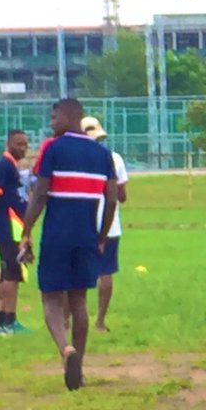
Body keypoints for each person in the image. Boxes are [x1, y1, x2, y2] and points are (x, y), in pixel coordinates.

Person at [17, 98, 118, 390]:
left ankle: (65, 350)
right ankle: (80, 369)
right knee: (79, 301)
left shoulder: (54, 149)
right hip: (87, 236)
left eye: (54, 116)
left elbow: (39, 195)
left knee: (50, 297)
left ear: (69, 116)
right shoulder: (103, 155)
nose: (51, 123)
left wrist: (26, 231)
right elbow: (111, 200)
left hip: (57, 235)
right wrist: (101, 237)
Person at [81, 117, 128, 333]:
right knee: (105, 272)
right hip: (110, 225)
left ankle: (67, 319)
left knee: (74, 274)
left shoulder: (75, 158)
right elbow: (121, 196)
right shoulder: (114, 158)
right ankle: (100, 321)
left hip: (81, 223)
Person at [0, 129, 30, 335]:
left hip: (13, 227)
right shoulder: (4, 166)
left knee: (9, 273)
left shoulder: (11, 166)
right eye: (19, 144)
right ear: (9, 144)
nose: (23, 148)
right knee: (11, 273)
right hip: (7, 228)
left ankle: (3, 318)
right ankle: (8, 321)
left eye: (25, 144)